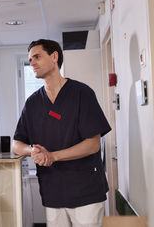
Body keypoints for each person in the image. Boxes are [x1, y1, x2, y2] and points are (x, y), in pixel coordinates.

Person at [12, 39, 111, 227]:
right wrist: (32, 150)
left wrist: (53, 156)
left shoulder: (82, 94)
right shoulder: (32, 103)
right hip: (52, 190)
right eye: (30, 59)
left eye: (37, 57)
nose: (32, 63)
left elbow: (93, 143)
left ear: (54, 57)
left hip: (85, 190)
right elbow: (16, 144)